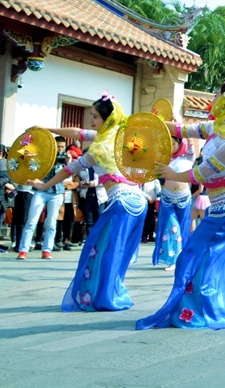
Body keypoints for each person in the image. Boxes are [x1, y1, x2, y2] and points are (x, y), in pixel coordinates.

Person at [137, 76, 225, 330]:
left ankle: (198, 310)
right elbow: (181, 131)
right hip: (220, 206)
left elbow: (201, 174)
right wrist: (151, 123)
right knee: (197, 255)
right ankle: (196, 307)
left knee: (197, 256)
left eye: (217, 95)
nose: (212, 99)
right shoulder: (217, 127)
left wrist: (170, 174)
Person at [33, 92, 147, 311]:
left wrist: (44, 185)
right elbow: (78, 132)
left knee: (97, 250)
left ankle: (102, 297)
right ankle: (108, 292)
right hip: (138, 202)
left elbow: (69, 169)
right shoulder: (120, 135)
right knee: (112, 251)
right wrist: (48, 130)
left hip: (122, 203)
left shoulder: (99, 147)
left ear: (107, 119)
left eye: (95, 116)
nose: (90, 120)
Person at [17, 137, 68, 259]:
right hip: (40, 191)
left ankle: (47, 250)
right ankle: (23, 250)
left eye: (62, 147)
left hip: (56, 192)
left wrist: (68, 162)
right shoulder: (43, 156)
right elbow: (21, 158)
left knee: (51, 223)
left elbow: (68, 171)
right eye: (58, 147)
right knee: (31, 221)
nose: (60, 149)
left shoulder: (64, 158)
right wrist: (29, 153)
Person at [153, 136, 195, 271]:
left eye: (173, 143)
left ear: (180, 143)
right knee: (173, 227)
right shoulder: (165, 159)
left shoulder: (189, 157)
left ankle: (182, 258)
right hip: (167, 197)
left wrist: (179, 129)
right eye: (168, 143)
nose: (171, 146)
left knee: (182, 228)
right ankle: (173, 259)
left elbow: (191, 143)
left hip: (183, 197)